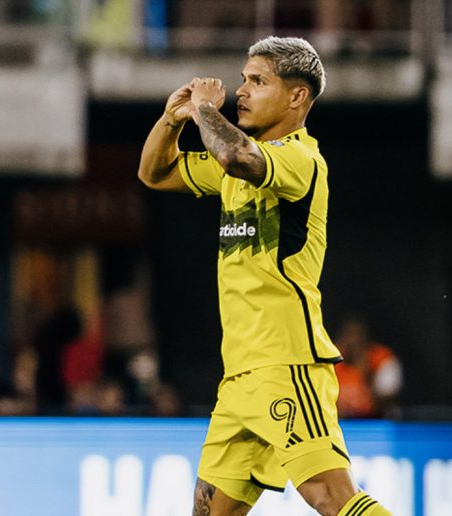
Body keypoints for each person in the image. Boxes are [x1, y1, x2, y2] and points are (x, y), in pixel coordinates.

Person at [138, 36, 390, 516]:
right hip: (238, 376)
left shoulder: (301, 160)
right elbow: (154, 173)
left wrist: (204, 112)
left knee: (331, 498)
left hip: (286, 364)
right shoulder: (237, 163)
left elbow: (236, 156)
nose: (241, 92)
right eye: (242, 80)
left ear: (297, 97)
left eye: (258, 81)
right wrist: (172, 119)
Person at [333, 317, 403, 418]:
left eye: (358, 335)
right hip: (340, 424)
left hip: (376, 423)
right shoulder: (331, 360)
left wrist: (364, 368)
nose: (353, 341)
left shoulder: (382, 358)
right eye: (349, 335)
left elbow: (388, 398)